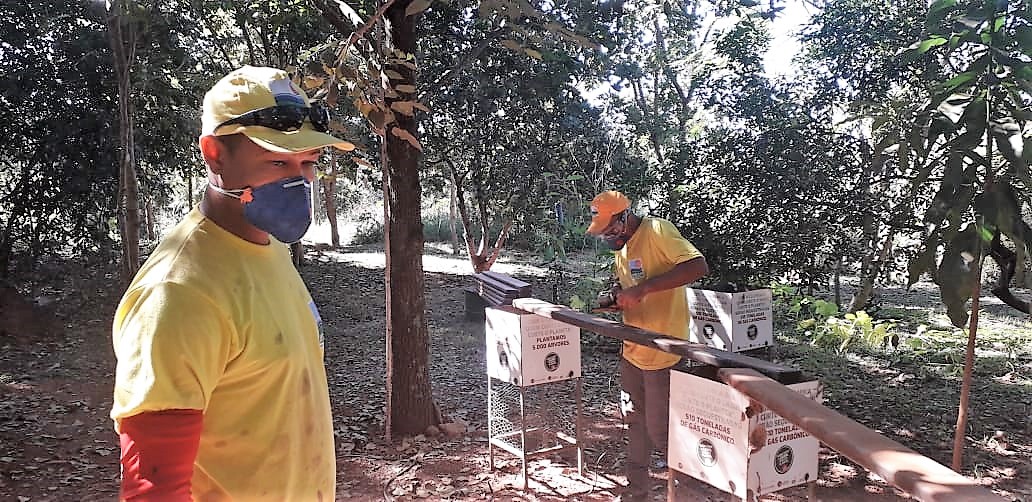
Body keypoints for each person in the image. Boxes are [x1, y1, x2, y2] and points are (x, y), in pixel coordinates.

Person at [110, 65, 354, 501]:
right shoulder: (180, 293)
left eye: (308, 162)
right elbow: (154, 486)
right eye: (277, 161)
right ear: (214, 154)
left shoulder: (269, 249)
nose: (298, 180)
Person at [585, 190, 709, 500]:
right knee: (634, 423)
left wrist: (644, 289)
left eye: (610, 229)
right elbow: (630, 286)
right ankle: (636, 493)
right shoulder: (622, 247)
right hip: (634, 349)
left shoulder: (657, 231)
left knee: (663, 432)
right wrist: (619, 296)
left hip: (664, 353)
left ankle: (689, 494)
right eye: (602, 233)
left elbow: (697, 266)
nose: (607, 237)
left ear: (625, 217)